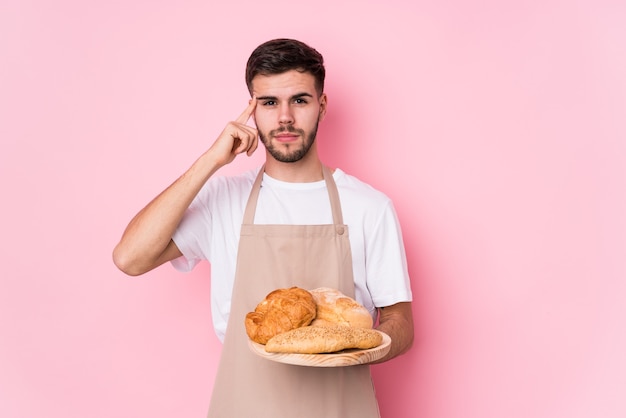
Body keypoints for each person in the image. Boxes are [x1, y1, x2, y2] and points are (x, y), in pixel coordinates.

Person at [113, 38, 414, 418]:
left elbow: (400, 321)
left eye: (300, 100)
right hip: (245, 405)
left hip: (341, 406)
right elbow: (130, 257)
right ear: (251, 110)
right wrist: (210, 161)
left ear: (321, 106)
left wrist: (360, 345)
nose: (285, 118)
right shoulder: (223, 200)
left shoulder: (369, 207)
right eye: (270, 103)